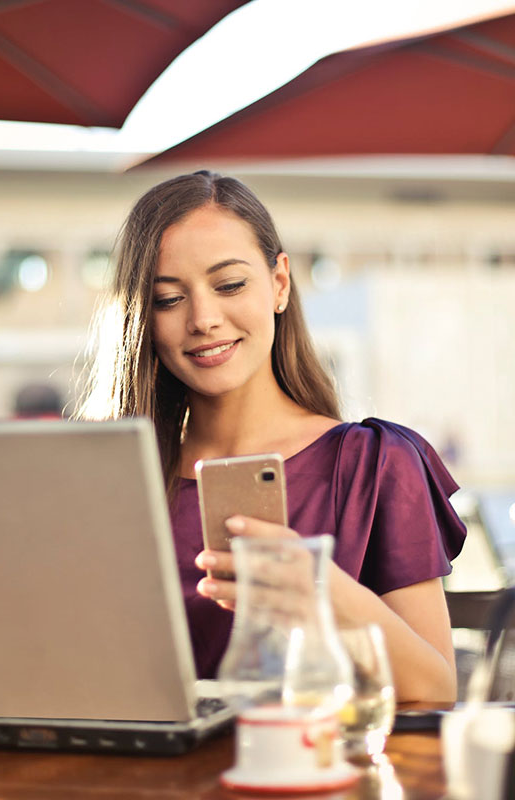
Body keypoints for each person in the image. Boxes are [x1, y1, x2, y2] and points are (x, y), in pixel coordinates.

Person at [77, 170, 466, 702]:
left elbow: (437, 688)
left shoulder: (374, 463)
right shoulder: (107, 478)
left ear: (279, 283)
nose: (204, 319)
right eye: (168, 299)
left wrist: (318, 591)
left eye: (230, 284)